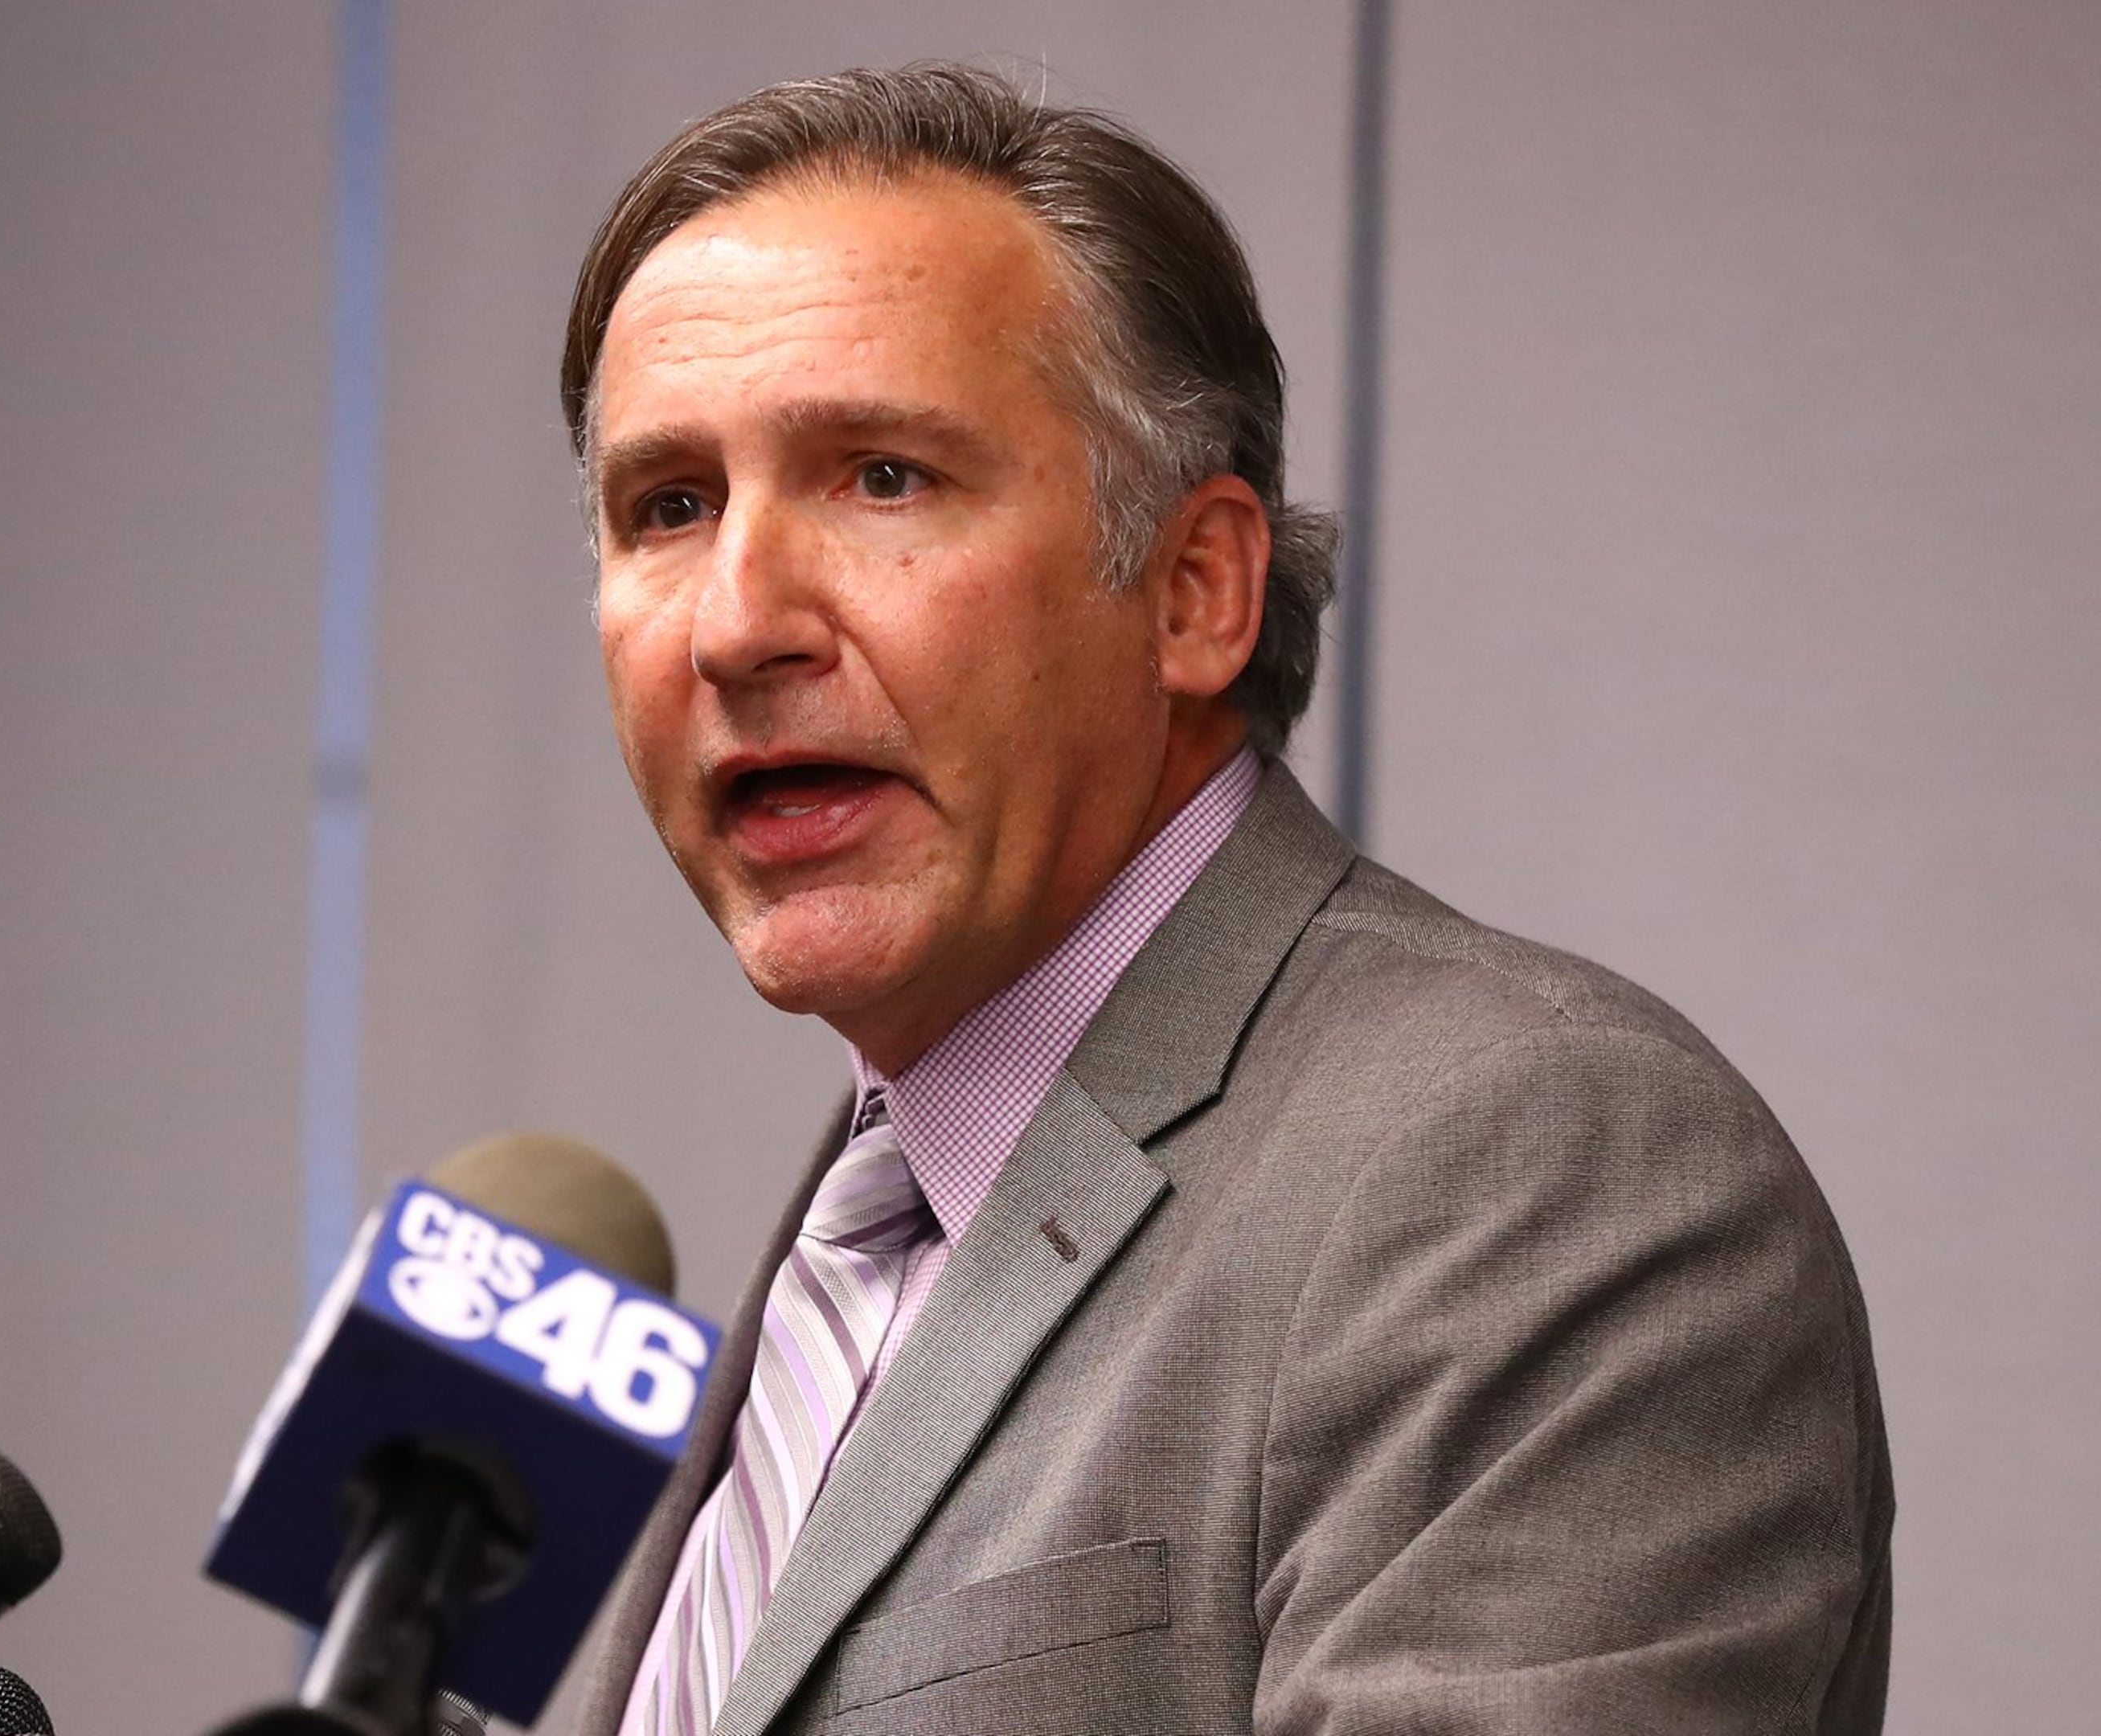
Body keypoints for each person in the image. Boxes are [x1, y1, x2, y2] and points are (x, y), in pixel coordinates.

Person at [552, 64, 1890, 1735]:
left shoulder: (1536, 1170)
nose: (737, 622)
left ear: (1194, 593)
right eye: (668, 507)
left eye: (882, 477)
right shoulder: (843, 1248)